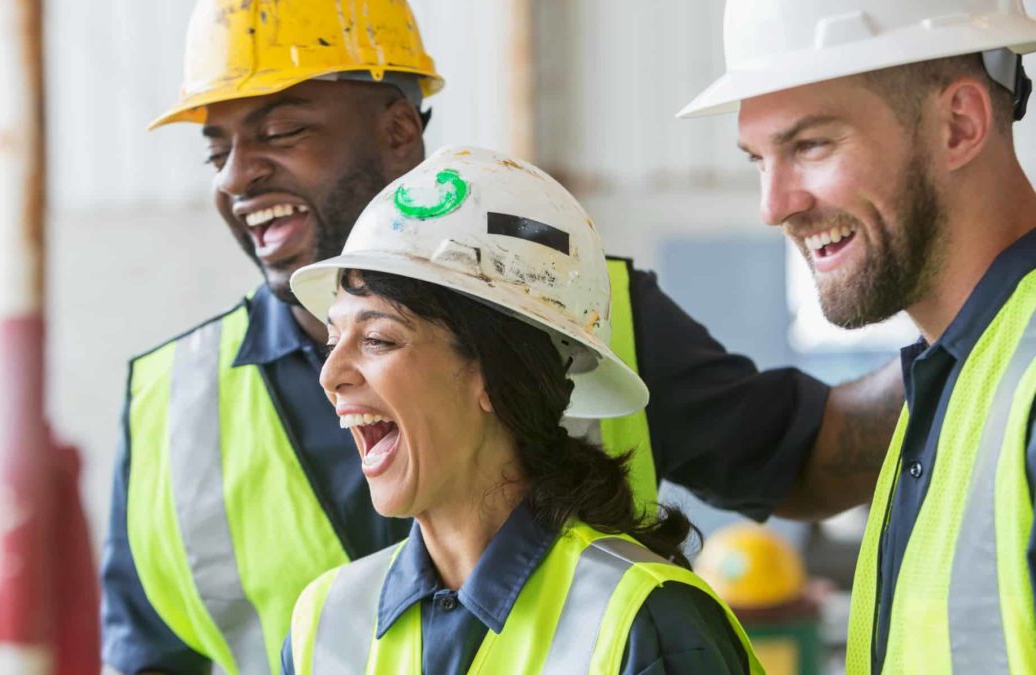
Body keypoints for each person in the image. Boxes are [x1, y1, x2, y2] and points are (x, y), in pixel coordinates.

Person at [100, 1, 902, 673]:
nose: (237, 174)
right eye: (218, 150)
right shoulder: (174, 406)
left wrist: (976, 332)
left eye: (280, 132)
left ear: (396, 133)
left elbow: (803, 454)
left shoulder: (584, 315)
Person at [284, 145, 765, 675]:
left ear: (495, 372)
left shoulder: (645, 623)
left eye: (377, 339)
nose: (330, 376)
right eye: (333, 339)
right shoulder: (325, 624)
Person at [678, 1, 1036, 672]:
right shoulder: (951, 382)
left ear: (958, 124)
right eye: (759, 158)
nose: (775, 205)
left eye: (811, 145)